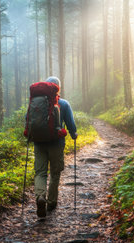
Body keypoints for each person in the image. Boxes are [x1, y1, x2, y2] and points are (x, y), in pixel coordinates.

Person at [33, 76, 77, 218]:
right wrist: (73, 133)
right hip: (56, 144)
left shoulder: (36, 102)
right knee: (55, 172)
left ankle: (40, 196)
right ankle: (51, 202)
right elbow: (70, 123)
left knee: (40, 173)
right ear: (58, 87)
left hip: (39, 143)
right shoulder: (63, 103)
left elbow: (28, 120)